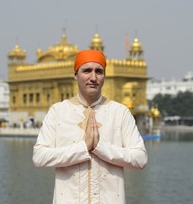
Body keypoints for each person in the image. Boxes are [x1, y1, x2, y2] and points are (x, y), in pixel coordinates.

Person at [33, 50, 148, 204]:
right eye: (87, 71)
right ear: (76, 75)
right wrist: (83, 148)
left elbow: (140, 159)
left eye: (99, 71)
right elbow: (39, 157)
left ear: (104, 77)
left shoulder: (119, 112)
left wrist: (100, 147)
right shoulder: (58, 112)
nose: (93, 77)